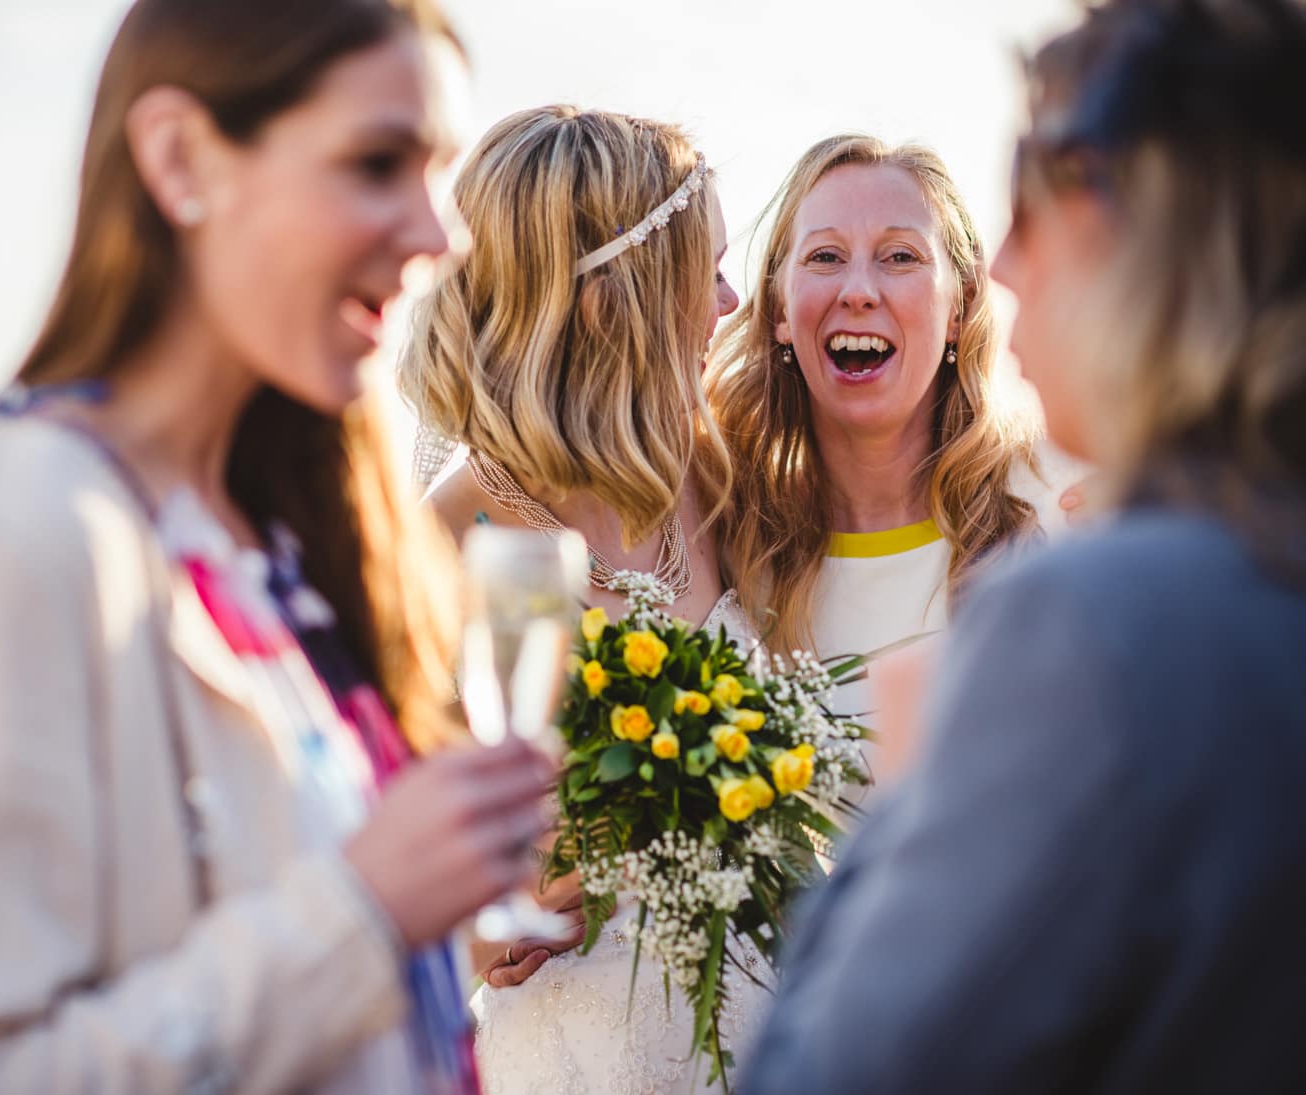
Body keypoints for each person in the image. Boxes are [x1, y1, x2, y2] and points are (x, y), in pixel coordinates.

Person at [0, 2, 555, 1091]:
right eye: (374, 164)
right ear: (178, 160)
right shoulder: (16, 530)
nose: (436, 234)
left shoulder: (278, 538)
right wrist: (361, 911)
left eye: (437, 173)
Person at [738, 0, 1306, 1090]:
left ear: (1141, 225)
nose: (1002, 264)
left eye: (1032, 198)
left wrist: (905, 802)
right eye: (824, 256)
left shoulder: (1083, 608)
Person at [399, 104, 768, 1095]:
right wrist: (482, 929)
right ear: (612, 302)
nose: (730, 304)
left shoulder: (719, 478)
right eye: (708, 272)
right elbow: (386, 883)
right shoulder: (458, 539)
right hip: (570, 1061)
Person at [706, 134, 1086, 778]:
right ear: (777, 308)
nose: (859, 291)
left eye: (900, 257)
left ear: (960, 307)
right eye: (825, 256)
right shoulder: (722, 539)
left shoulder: (1066, 504)